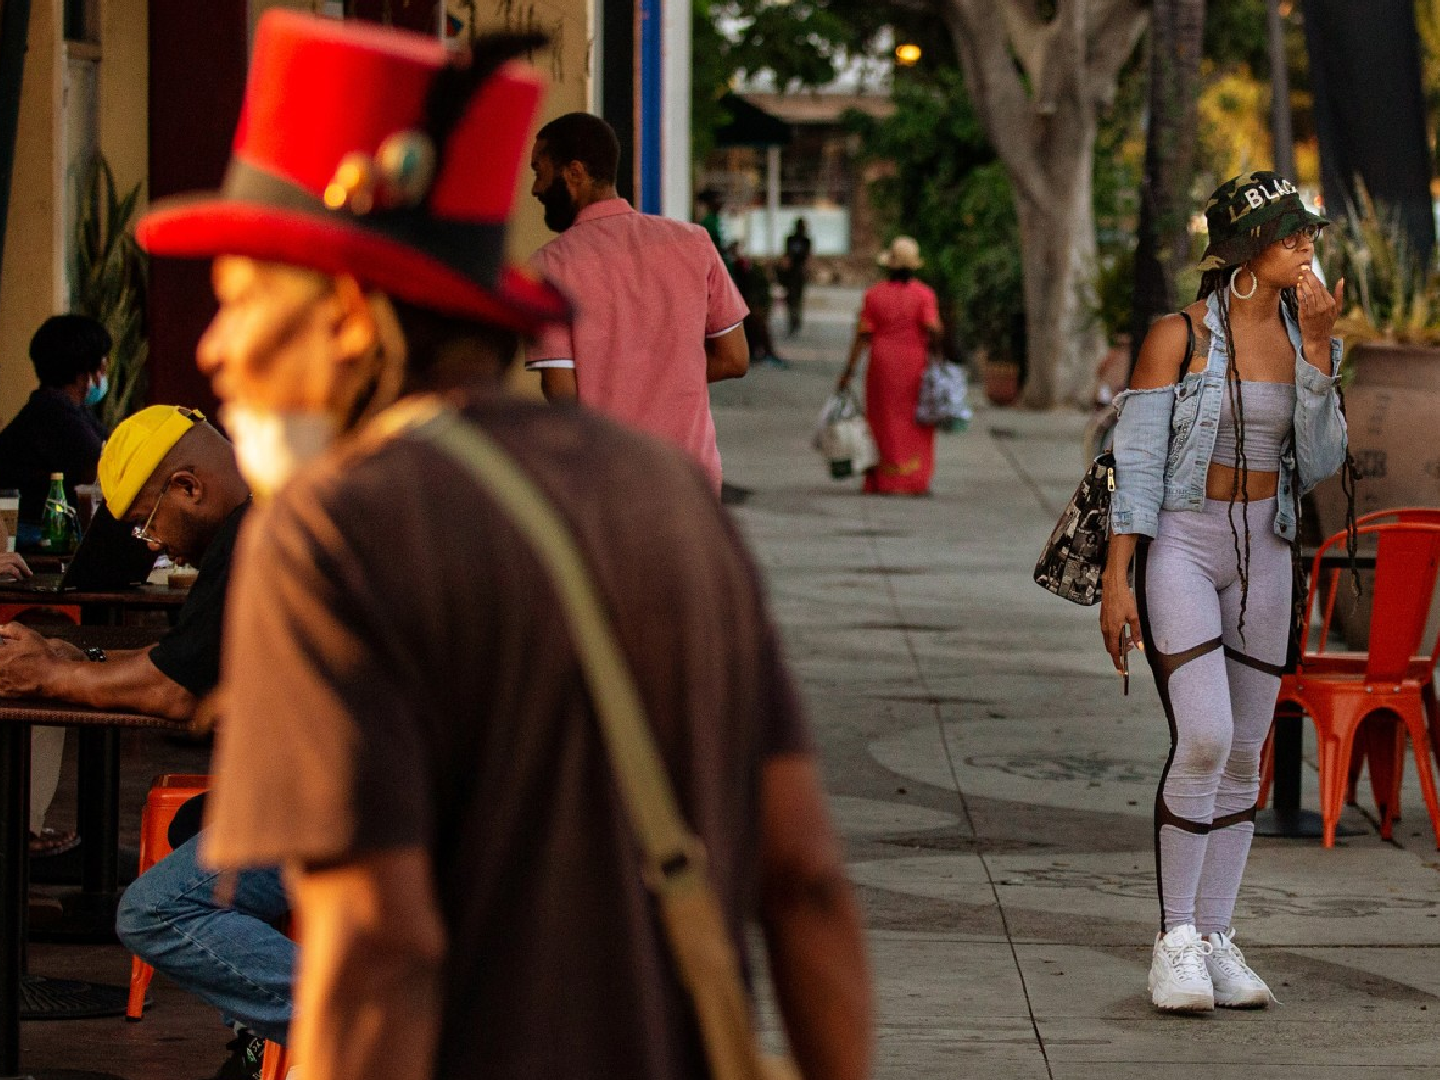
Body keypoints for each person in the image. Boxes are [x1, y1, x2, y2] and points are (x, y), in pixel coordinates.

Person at [134, 14, 871, 1080]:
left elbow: (376, 952)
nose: (216, 346)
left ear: (347, 312)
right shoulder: (669, 502)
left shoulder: (332, 538)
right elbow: (803, 880)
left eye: (245, 299)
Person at [1099, 173, 1347, 1013]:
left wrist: (1317, 353)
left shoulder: (1306, 332)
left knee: (1247, 749)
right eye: (1288, 235)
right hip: (1182, 540)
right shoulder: (1177, 336)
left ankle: (1213, 934)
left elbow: (1317, 463)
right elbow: (1132, 463)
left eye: (1306, 232)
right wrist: (1116, 578)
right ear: (1244, 250)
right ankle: (1173, 939)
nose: (1306, 245)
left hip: (1268, 547)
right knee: (1202, 736)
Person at [0, 405, 290, 1076]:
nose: (153, 545)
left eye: (147, 523)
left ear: (189, 487)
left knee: (156, 911)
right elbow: (186, 663)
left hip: (360, 802)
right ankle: (258, 1039)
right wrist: (71, 666)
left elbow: (174, 690)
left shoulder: (258, 532)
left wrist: (54, 674)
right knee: (196, 825)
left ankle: (386, 1025)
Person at [526, 113, 750, 492]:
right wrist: (664, 374)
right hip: (692, 483)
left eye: (540, 172)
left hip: (607, 484)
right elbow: (734, 358)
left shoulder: (551, 266)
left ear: (575, 172)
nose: (535, 188)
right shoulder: (693, 243)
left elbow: (561, 393)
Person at [836, 237, 944, 496]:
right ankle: (912, 479)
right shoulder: (924, 295)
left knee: (881, 419)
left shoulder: (874, 295)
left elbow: (863, 336)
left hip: (882, 365)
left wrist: (849, 371)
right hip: (913, 364)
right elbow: (932, 328)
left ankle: (884, 478)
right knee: (914, 421)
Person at [0, 315, 113, 548]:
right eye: (103, 364)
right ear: (87, 370)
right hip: (35, 540)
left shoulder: (70, 409)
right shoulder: (52, 412)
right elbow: (104, 468)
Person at [781, 218, 813, 335]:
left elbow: (808, 257)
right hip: (792, 273)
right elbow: (787, 257)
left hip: (798, 272)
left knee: (797, 298)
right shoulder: (792, 239)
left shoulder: (805, 240)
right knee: (792, 298)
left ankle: (796, 321)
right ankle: (793, 321)